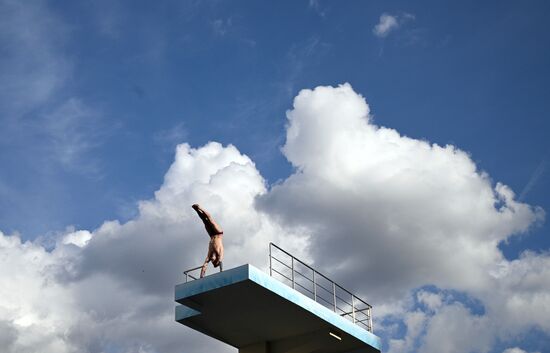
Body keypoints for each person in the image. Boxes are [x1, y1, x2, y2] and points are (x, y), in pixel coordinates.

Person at [192, 204, 224, 278]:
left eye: (212, 262)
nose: (212, 261)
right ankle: (200, 208)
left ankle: (196, 209)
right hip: (218, 233)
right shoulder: (219, 254)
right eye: (213, 261)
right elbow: (220, 260)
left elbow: (205, 265)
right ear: (216, 259)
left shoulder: (209, 256)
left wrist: (201, 276)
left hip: (211, 235)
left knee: (204, 220)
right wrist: (218, 263)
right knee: (209, 219)